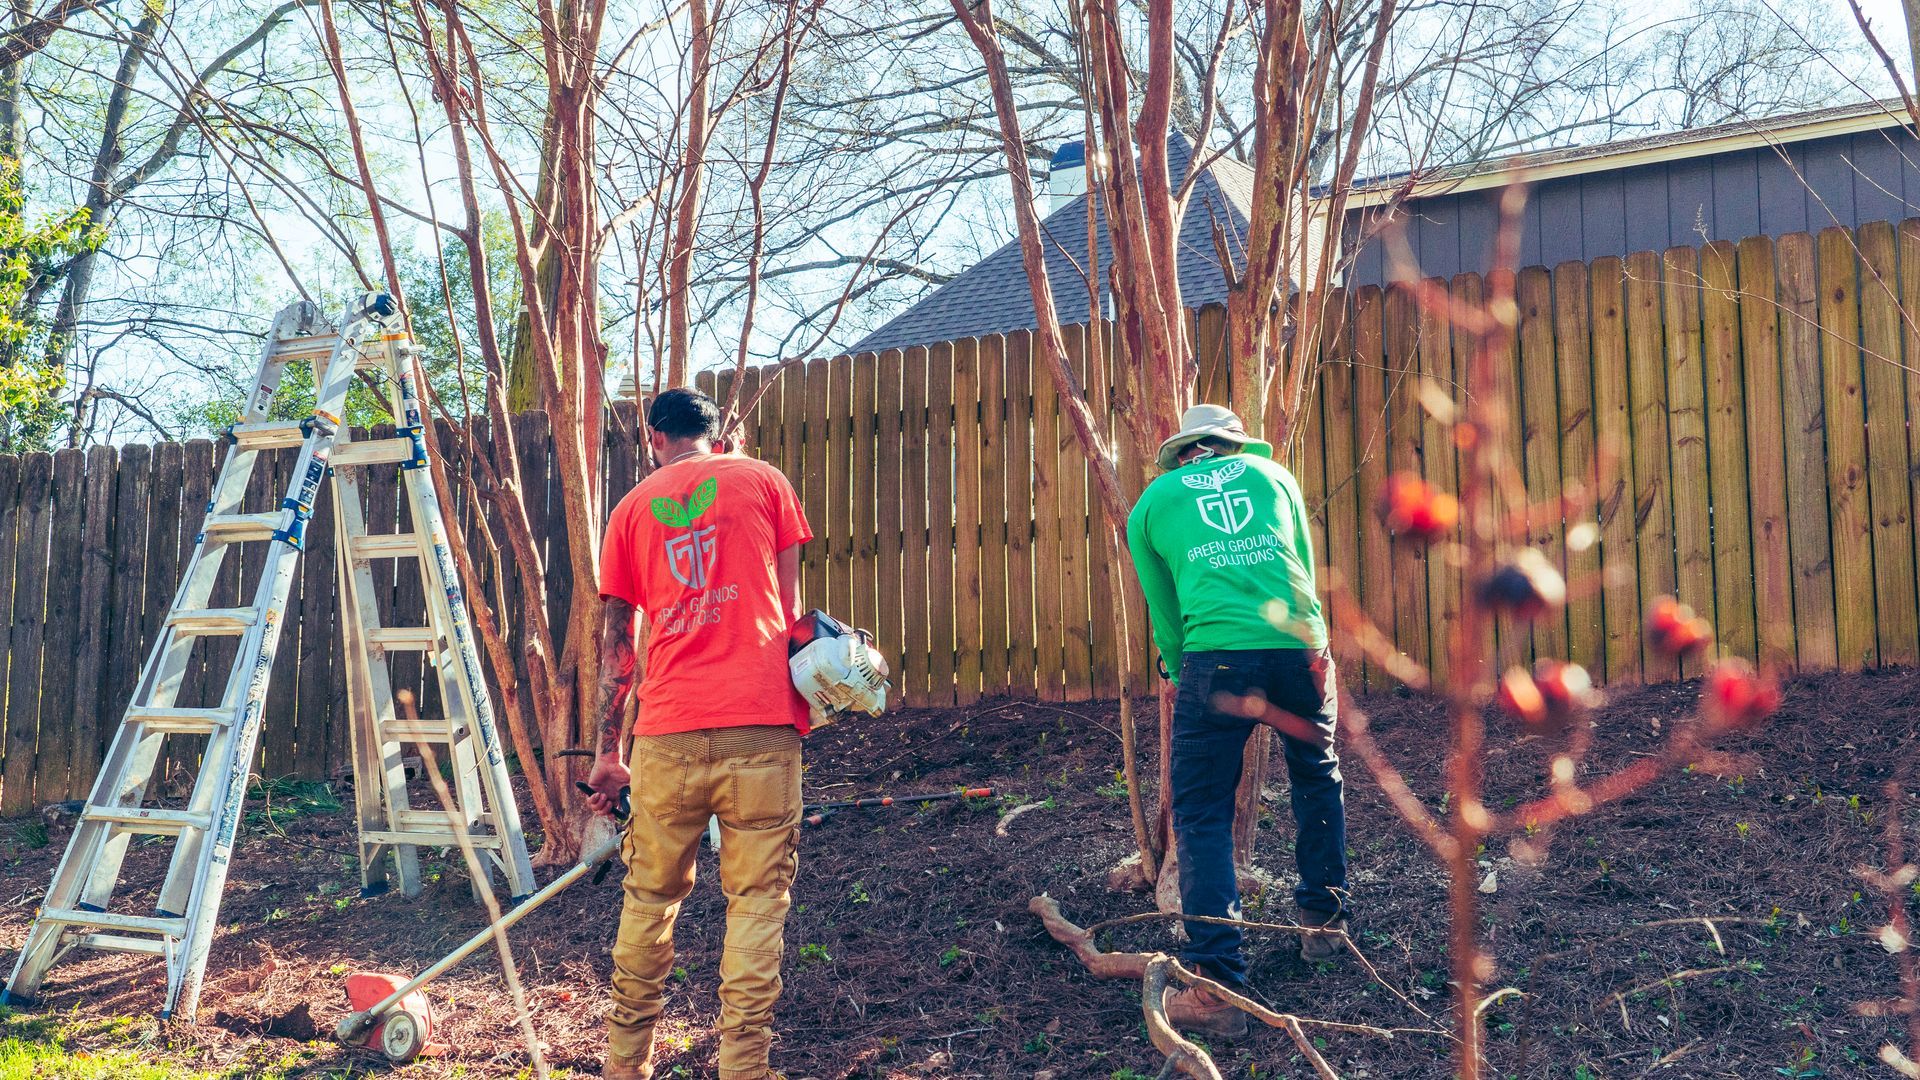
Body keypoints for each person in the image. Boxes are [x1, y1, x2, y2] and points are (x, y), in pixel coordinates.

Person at [584, 386, 813, 1080]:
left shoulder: (629, 511)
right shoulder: (765, 481)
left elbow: (617, 644)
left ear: (654, 438)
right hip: (761, 723)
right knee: (757, 901)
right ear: (718, 433)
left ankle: (627, 1066)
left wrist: (607, 752)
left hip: (667, 732)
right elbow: (792, 608)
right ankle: (744, 1068)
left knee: (649, 898)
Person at [1125, 403, 1348, 1038]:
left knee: (1200, 811)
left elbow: (1164, 608)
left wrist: (1175, 667)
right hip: (1299, 647)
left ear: (1181, 453)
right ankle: (1324, 926)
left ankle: (1219, 990)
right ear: (1233, 445)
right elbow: (1299, 561)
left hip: (1216, 659)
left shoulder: (1152, 503)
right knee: (1317, 775)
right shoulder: (1275, 479)